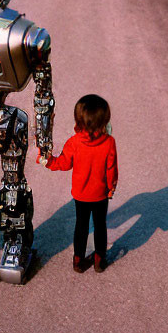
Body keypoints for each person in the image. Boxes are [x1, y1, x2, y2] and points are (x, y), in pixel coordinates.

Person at [39, 94, 118, 273]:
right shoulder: (109, 143)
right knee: (100, 225)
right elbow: (111, 169)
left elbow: (64, 163)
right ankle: (99, 259)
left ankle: (78, 259)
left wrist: (48, 161)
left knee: (81, 226)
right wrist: (111, 187)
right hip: (100, 194)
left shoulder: (74, 142)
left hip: (81, 195)